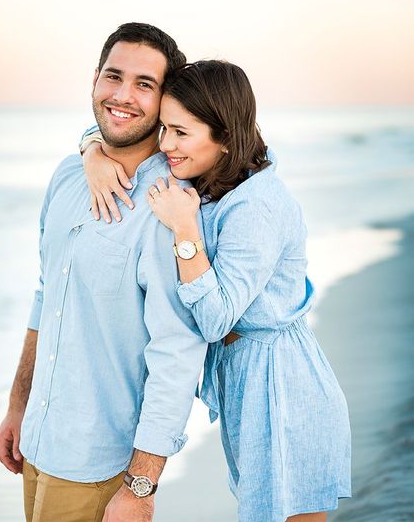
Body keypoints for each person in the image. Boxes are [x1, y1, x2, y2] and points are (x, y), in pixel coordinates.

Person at [81, 60, 352, 522]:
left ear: (224, 135)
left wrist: (184, 226)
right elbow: (113, 126)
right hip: (249, 379)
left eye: (180, 133)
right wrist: (91, 152)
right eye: (164, 127)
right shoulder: (215, 179)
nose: (165, 143)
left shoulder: (258, 206)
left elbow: (214, 318)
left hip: (282, 386)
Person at [0, 23, 207, 522]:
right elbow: (48, 295)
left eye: (144, 84)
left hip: (99, 463)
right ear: (94, 80)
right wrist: (18, 404)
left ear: (164, 101)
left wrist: (142, 483)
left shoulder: (166, 206)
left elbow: (176, 351)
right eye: (114, 76)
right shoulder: (68, 175)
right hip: (39, 440)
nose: (123, 96)